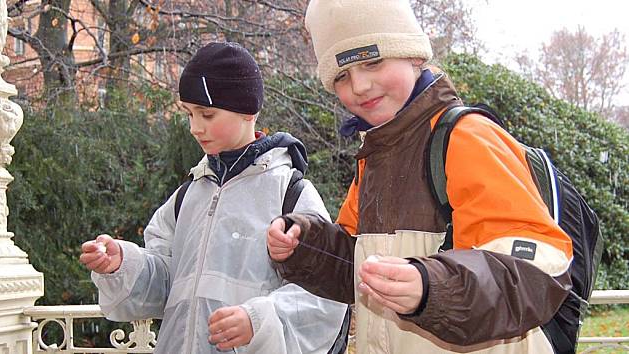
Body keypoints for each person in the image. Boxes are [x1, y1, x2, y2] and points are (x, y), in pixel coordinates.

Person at [266, 1, 573, 353]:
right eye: (341, 76)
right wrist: (304, 245)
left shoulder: (467, 136)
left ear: (413, 55)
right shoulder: (374, 157)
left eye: (372, 61)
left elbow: (535, 268)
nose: (360, 85)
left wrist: (431, 287)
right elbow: (356, 268)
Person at [80, 42, 348, 354]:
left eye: (207, 114)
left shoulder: (290, 193)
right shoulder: (188, 194)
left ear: (248, 111)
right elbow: (163, 288)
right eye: (189, 114)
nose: (195, 127)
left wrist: (257, 321)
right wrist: (123, 265)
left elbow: (325, 296)